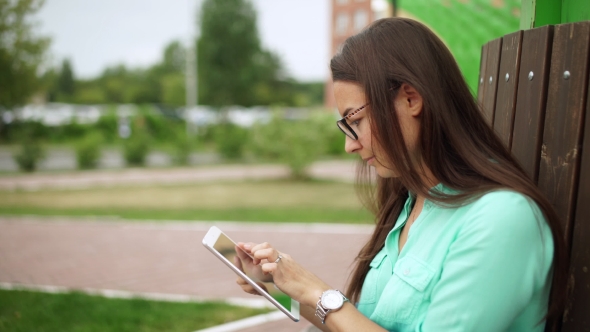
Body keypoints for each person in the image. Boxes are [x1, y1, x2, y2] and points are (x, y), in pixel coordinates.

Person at [233, 17, 567, 331]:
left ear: (411, 99)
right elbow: (368, 323)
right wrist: (281, 284)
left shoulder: (501, 218)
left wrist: (321, 294)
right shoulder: (412, 205)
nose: (350, 146)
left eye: (356, 121)